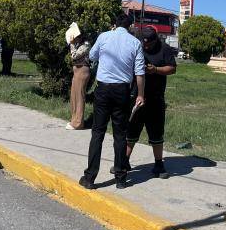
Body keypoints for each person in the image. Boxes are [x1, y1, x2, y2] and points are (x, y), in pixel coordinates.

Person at [80, 13, 145, 190]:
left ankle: (90, 177)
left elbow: (92, 56)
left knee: (98, 133)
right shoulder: (135, 43)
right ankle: (121, 178)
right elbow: (139, 73)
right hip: (122, 91)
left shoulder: (104, 36)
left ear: (114, 25)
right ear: (130, 26)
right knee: (120, 135)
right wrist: (140, 94)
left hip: (103, 89)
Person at [125, 27, 177, 179]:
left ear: (156, 40)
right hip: (137, 97)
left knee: (156, 132)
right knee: (132, 130)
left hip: (156, 98)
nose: (146, 46)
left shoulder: (165, 49)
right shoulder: (137, 47)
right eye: (144, 44)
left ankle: (159, 164)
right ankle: (124, 161)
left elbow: (172, 68)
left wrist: (156, 69)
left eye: (149, 44)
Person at [65, 22, 91, 131]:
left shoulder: (85, 44)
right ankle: (74, 120)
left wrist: (71, 45)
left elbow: (74, 56)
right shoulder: (78, 44)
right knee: (74, 96)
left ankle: (78, 123)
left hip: (82, 70)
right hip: (77, 70)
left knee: (80, 97)